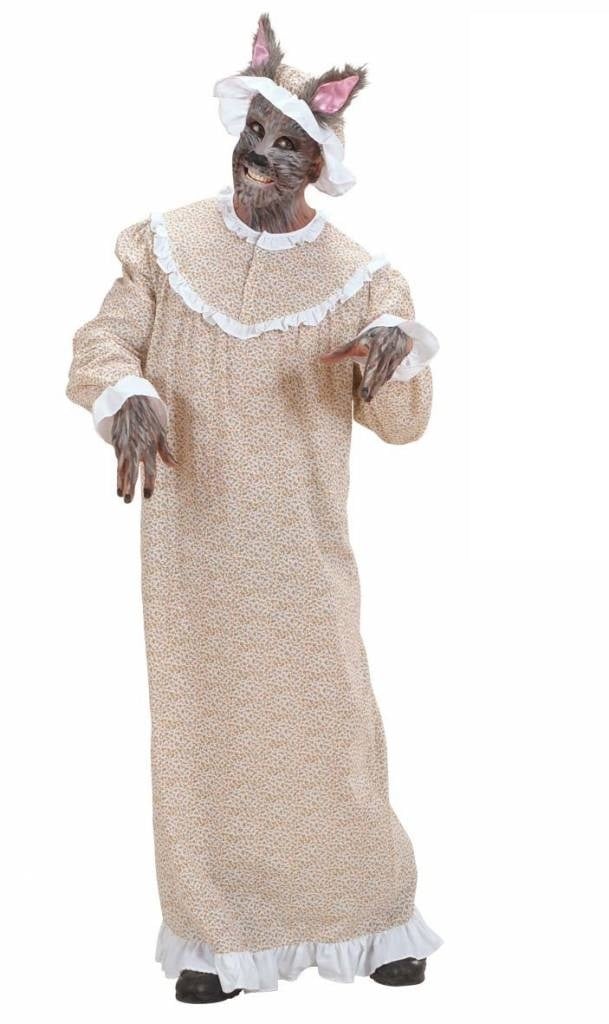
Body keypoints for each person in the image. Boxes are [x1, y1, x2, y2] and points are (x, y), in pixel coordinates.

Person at [66, 12, 442, 1003]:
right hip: (192, 554)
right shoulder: (165, 248)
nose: (260, 157)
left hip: (301, 558)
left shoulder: (359, 280)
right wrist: (126, 391)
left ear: (317, 163)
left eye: (286, 144)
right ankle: (218, 940)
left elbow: (402, 424)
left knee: (331, 731)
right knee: (206, 739)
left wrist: (394, 356)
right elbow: (105, 340)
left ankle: (370, 918)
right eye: (255, 134)